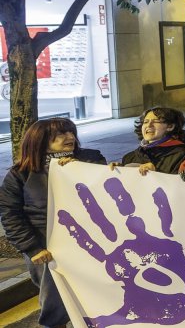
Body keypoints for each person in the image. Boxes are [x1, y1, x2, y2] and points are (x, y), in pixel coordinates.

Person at [0, 119, 106, 328]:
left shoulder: (90, 158)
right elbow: (10, 213)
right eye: (60, 134)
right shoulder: (21, 172)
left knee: (97, 294)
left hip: (90, 239)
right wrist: (33, 248)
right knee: (55, 300)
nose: (69, 138)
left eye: (71, 132)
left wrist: (79, 169)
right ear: (40, 141)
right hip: (45, 244)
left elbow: (109, 187)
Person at [118, 107, 185, 174]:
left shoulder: (183, 156)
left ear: (170, 126)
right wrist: (118, 171)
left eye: (156, 121)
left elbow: (183, 187)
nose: (149, 125)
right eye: (145, 122)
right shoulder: (129, 157)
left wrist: (156, 172)